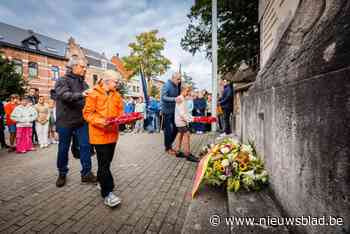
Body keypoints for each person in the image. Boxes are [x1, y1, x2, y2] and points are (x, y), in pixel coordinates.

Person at [54, 55, 97, 187]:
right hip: (65, 121)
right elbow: (64, 95)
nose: (85, 69)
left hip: (81, 121)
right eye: (82, 66)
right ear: (74, 66)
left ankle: (86, 173)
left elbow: (89, 100)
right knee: (63, 148)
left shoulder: (84, 83)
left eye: (85, 67)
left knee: (86, 146)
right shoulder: (62, 80)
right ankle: (62, 173)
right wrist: (82, 94)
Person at [83, 71, 123, 208]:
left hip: (112, 135)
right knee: (104, 164)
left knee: (106, 163)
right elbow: (87, 114)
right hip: (98, 135)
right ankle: (108, 193)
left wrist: (123, 119)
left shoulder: (117, 95)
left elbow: (120, 112)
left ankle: (101, 182)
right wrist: (101, 121)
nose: (117, 84)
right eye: (115, 82)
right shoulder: (93, 93)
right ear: (106, 81)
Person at [174, 85, 199, 162]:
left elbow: (186, 112)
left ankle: (177, 151)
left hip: (180, 120)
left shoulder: (182, 98)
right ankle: (188, 154)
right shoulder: (180, 99)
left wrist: (192, 118)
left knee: (180, 134)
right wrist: (189, 120)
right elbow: (182, 113)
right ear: (183, 90)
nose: (188, 93)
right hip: (181, 121)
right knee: (187, 134)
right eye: (187, 91)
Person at [161, 72, 181, 155]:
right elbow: (163, 97)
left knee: (176, 128)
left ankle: (169, 144)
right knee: (168, 130)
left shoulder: (176, 86)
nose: (179, 81)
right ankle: (168, 148)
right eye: (178, 79)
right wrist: (174, 99)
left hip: (174, 111)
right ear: (173, 78)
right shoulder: (167, 85)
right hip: (166, 111)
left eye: (180, 79)